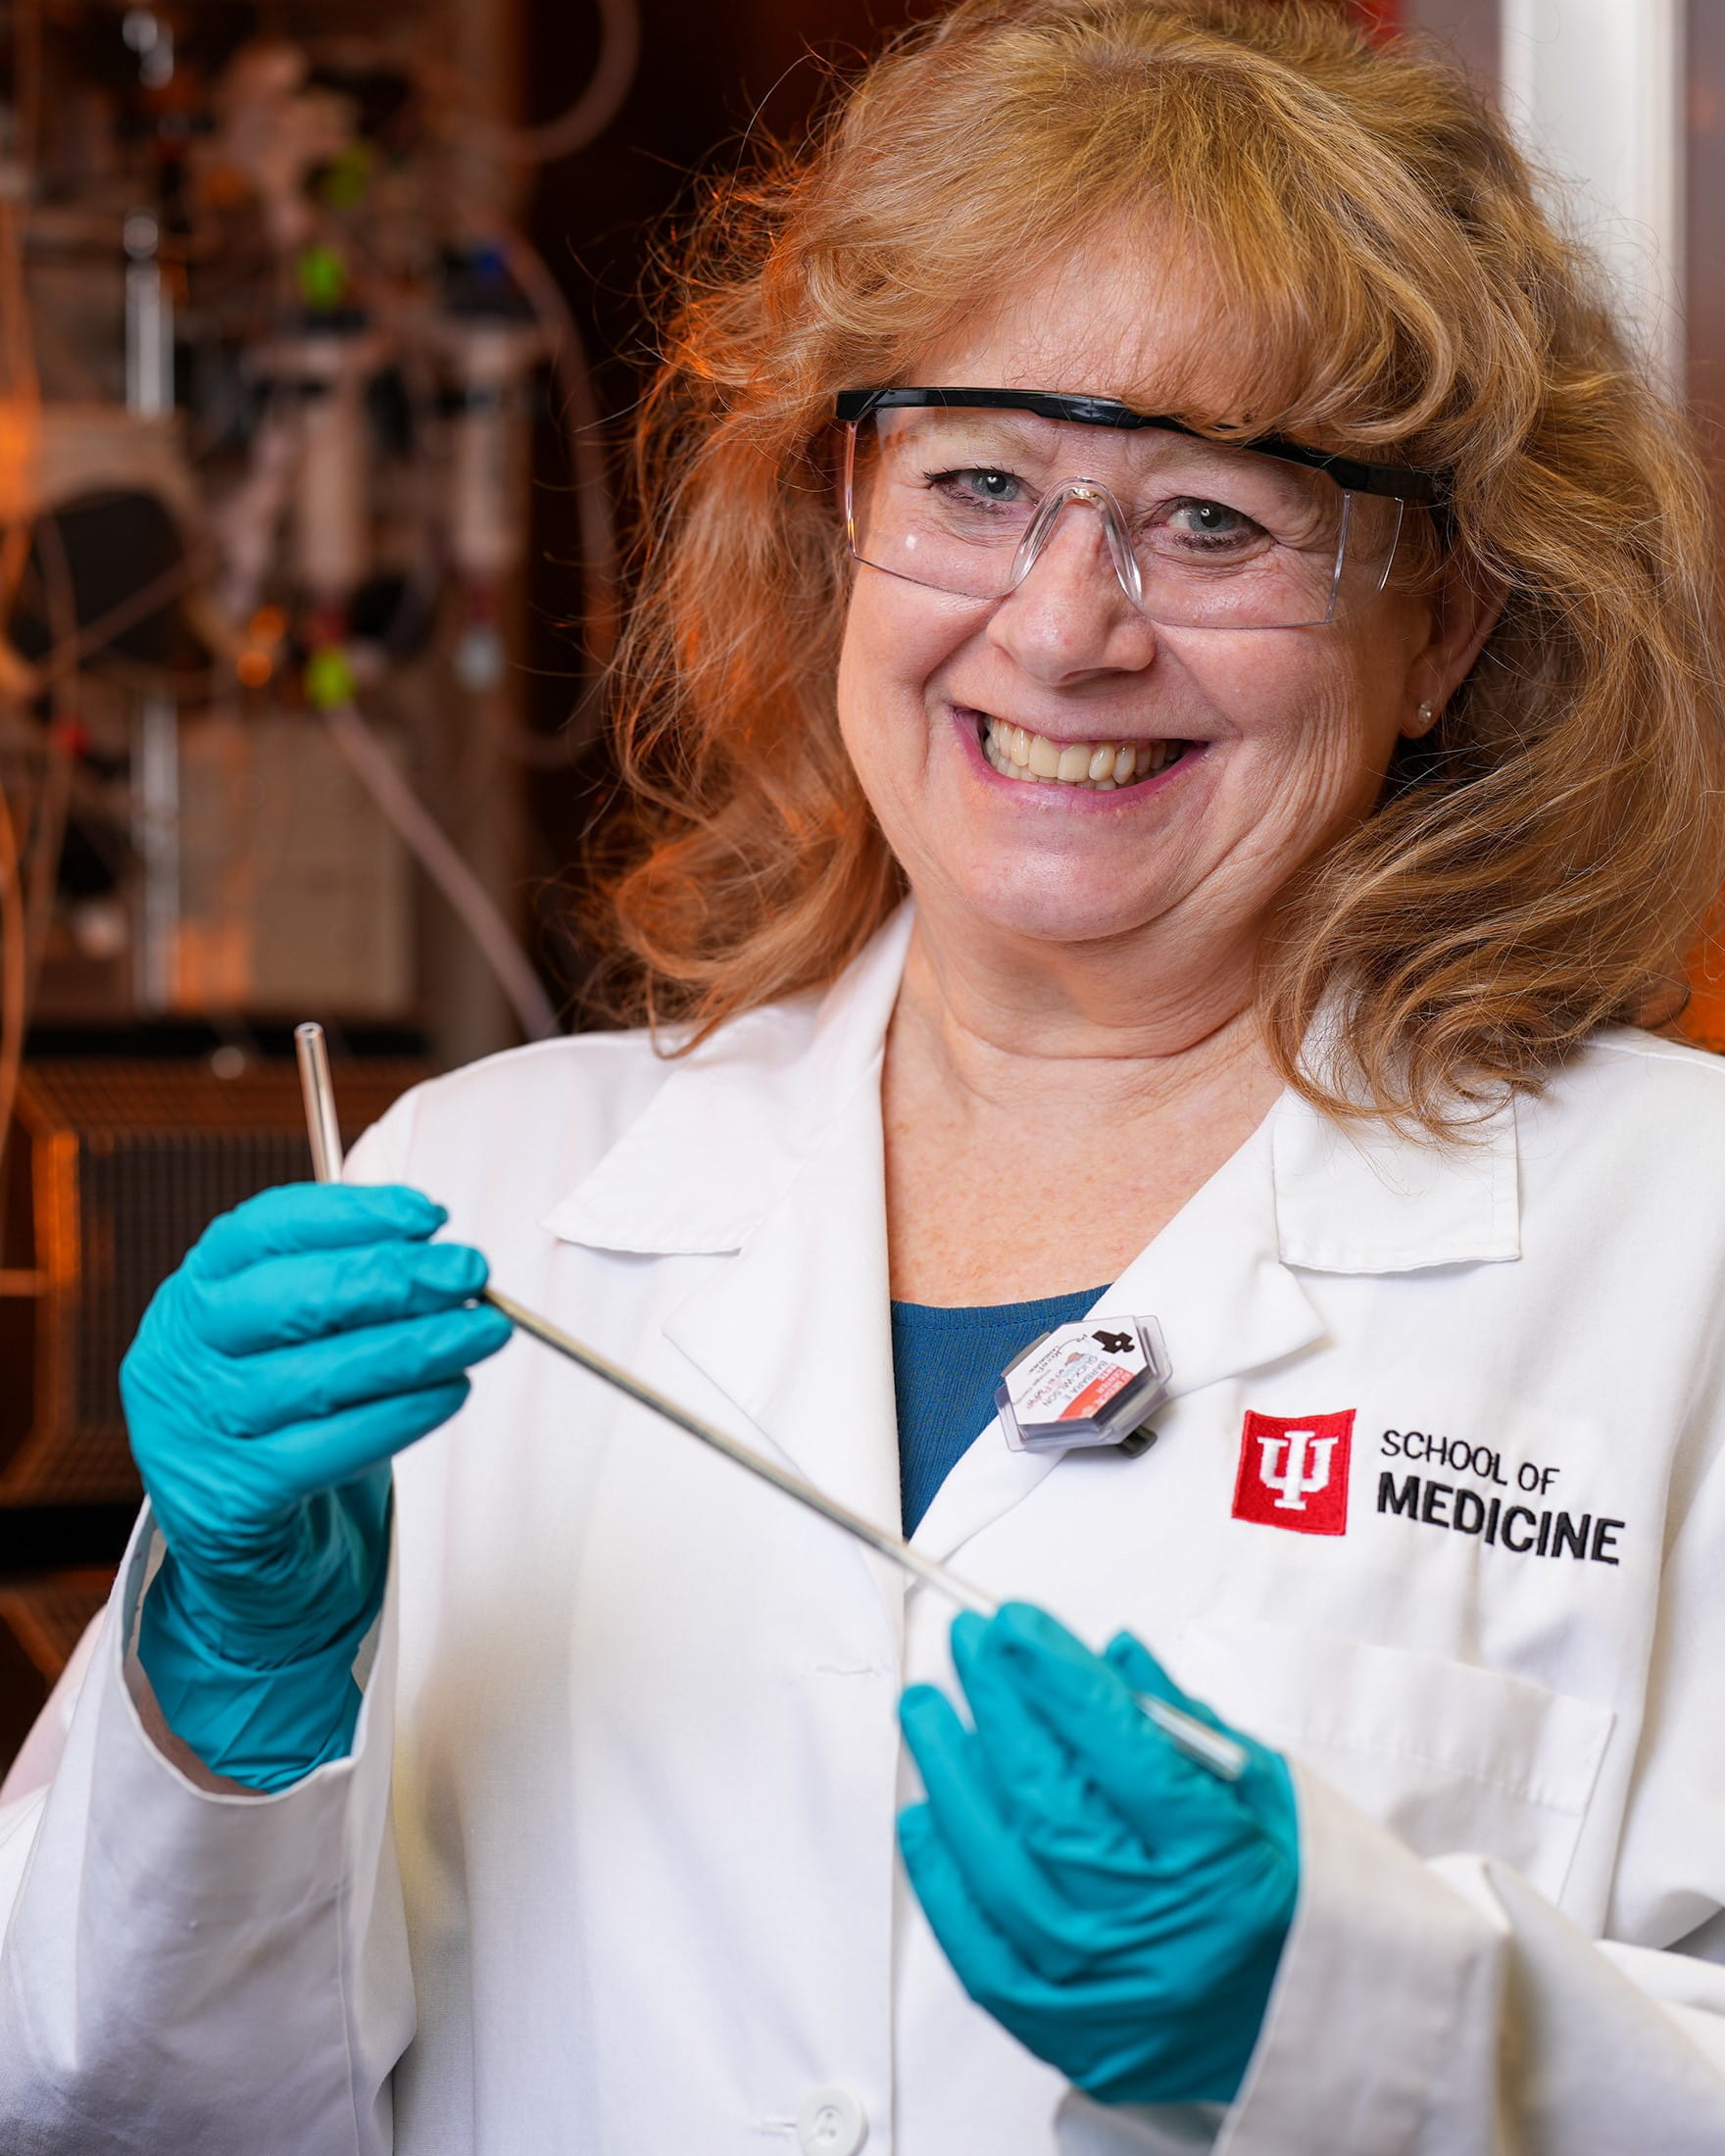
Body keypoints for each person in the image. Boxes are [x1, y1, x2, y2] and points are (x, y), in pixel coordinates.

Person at [5, 1, 1725, 2148]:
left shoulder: (1682, 1249)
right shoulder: (486, 1196)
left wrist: (1378, 2015)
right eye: (981, 485)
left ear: (1447, 621)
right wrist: (226, 1695)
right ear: (842, 515)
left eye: (1210, 520)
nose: (1066, 628)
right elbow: (110, 2104)